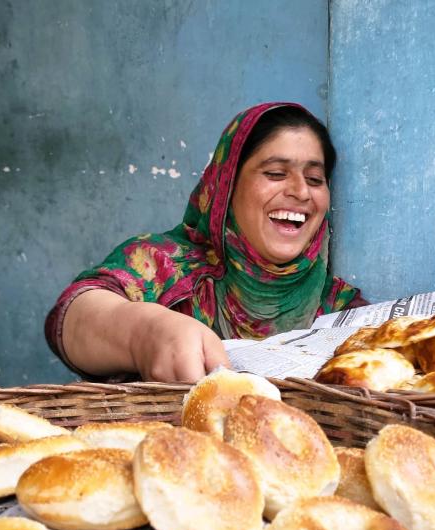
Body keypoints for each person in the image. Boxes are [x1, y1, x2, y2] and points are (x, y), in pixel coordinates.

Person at [45, 102, 365, 382]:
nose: (301, 191)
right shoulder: (163, 263)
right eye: (276, 173)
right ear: (227, 186)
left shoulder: (337, 307)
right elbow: (70, 319)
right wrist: (144, 332)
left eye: (314, 179)